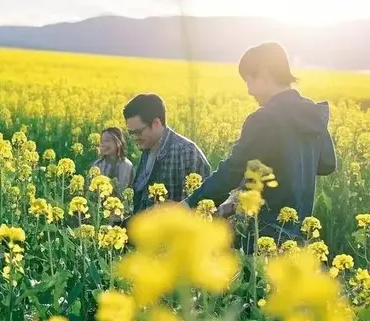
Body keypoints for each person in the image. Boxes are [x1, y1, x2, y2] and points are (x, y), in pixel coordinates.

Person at [184, 42, 337, 240]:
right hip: (300, 232)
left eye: (249, 81)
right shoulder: (313, 113)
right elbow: (327, 165)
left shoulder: (264, 119)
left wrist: (189, 204)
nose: (249, 91)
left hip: (264, 234)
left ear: (264, 73)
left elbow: (232, 171)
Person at [125, 94, 211, 214]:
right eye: (130, 133)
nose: (134, 138)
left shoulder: (186, 151)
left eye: (138, 132)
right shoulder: (148, 149)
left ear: (156, 123)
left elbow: (197, 205)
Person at [93, 127, 135, 196]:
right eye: (102, 141)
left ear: (118, 142)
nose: (103, 144)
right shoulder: (97, 165)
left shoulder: (128, 166)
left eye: (107, 140)